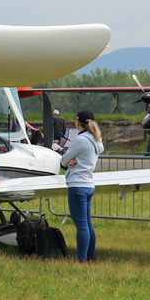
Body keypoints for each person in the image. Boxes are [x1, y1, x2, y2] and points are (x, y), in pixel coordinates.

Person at [59, 110, 102, 263]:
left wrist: (69, 161)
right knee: (88, 223)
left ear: (78, 123)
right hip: (89, 184)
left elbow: (64, 160)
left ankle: (81, 259)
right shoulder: (96, 139)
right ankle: (91, 257)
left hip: (77, 185)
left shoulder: (80, 140)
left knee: (81, 225)